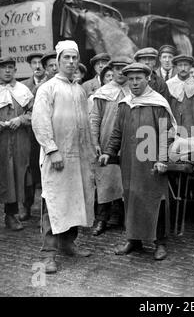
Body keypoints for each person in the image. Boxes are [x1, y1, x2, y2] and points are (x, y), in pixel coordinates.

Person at [99, 62, 176, 260]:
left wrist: (161, 159)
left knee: (154, 199)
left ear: (147, 78)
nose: (134, 83)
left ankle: (159, 243)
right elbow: (117, 132)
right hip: (129, 161)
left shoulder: (158, 103)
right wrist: (109, 151)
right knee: (131, 198)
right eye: (131, 79)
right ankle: (133, 240)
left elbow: (166, 134)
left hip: (152, 162)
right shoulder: (125, 104)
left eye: (138, 79)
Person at [32, 40, 96, 274]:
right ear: (58, 61)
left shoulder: (79, 90)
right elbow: (40, 122)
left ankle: (68, 243)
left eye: (74, 58)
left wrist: (91, 149)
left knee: (75, 199)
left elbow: (86, 125)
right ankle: (48, 254)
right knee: (54, 201)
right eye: (66, 58)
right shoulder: (47, 88)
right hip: (57, 157)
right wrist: (52, 149)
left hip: (78, 157)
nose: (71, 62)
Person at [90, 57, 131, 235]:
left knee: (127, 182)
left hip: (130, 144)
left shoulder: (135, 90)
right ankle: (101, 220)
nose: (121, 71)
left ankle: (125, 219)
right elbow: (95, 119)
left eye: (124, 68)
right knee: (106, 182)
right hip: (108, 143)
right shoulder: (102, 92)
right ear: (112, 70)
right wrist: (95, 142)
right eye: (118, 68)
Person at [0, 56, 34, 231]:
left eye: (10, 67)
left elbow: (34, 113)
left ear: (15, 70)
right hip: (1, 140)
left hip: (19, 139)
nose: (7, 70)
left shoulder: (24, 90)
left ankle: (11, 214)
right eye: (3, 67)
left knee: (16, 175)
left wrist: (21, 119)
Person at [20, 52, 46, 221]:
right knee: (27, 171)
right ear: (30, 66)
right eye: (34, 63)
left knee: (45, 172)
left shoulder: (51, 83)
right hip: (28, 136)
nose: (37, 66)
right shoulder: (23, 86)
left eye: (40, 63)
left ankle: (46, 213)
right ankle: (26, 206)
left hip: (44, 136)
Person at [166, 55, 194, 136]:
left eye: (186, 65)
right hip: (172, 132)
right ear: (175, 67)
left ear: (190, 66)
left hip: (191, 132)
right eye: (180, 65)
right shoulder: (168, 85)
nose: (183, 68)